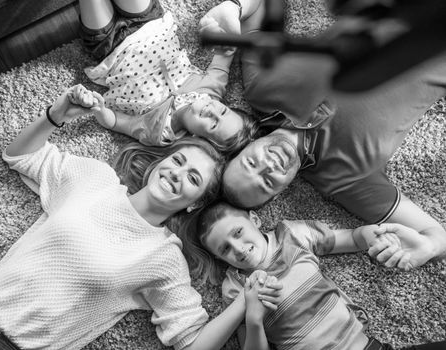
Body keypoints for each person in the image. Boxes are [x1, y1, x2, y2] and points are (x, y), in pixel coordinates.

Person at [0, 85, 282, 350]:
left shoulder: (164, 259)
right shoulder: (94, 178)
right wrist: (56, 114)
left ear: (193, 204)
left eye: (192, 179)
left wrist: (242, 305)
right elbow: (20, 156)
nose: (177, 173)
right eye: (177, 161)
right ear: (160, 161)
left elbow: (194, 344)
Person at [199, 0, 446, 267]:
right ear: (281, 191)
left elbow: (259, 8)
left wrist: (233, 8)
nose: (267, 165)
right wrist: (431, 245)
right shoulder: (343, 181)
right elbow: (434, 235)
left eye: (251, 163)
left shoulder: (262, 90)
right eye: (267, 182)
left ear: (248, 144)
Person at [187, 200, 446, 350]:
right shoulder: (236, 287)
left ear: (254, 220)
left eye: (238, 232)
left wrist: (372, 235)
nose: (238, 249)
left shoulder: (290, 234)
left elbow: (351, 238)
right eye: (224, 249)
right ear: (219, 259)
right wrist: (254, 319)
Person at [78, 0, 257, 154]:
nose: (213, 111)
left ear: (199, 140)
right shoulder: (212, 90)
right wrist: (223, 32)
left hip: (109, 48)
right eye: (223, 111)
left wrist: (99, 109)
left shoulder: (158, 132)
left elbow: (116, 122)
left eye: (213, 124)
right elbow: (226, 53)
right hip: (148, 23)